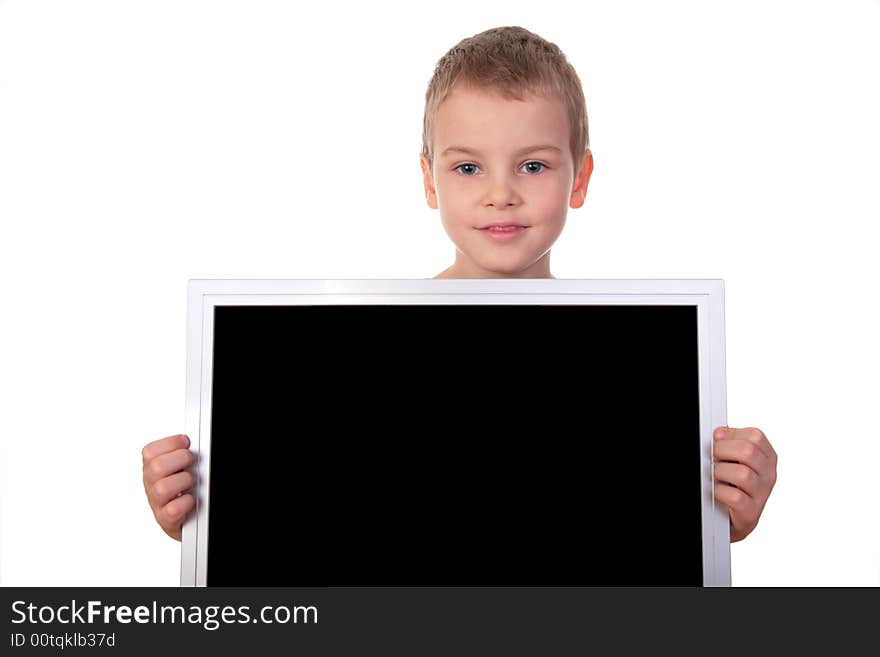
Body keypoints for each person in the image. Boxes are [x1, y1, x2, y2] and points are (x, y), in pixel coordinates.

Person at [142, 26, 777, 546]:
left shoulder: (638, 365)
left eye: (533, 165)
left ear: (579, 180)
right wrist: (192, 517)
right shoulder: (358, 355)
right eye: (468, 166)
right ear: (429, 181)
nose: (501, 192)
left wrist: (724, 517)